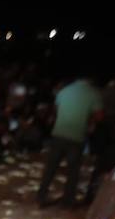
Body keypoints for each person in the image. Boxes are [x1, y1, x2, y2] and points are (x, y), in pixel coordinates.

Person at [37, 74, 103, 207]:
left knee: (50, 168)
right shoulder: (93, 93)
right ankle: (67, 201)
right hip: (77, 136)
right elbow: (99, 116)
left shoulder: (65, 91)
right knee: (73, 171)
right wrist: (89, 120)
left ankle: (41, 196)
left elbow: (56, 109)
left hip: (59, 132)